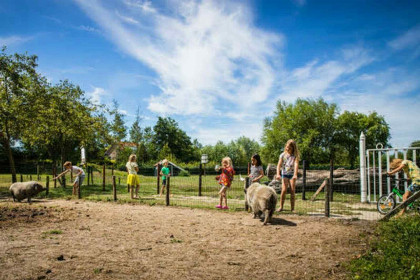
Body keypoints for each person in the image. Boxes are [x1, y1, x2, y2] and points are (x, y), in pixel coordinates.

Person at [276, 139, 299, 212]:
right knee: (284, 190)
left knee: (292, 190)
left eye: (289, 148)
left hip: (292, 175)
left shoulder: (295, 156)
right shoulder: (282, 155)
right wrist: (278, 174)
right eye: (287, 147)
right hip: (284, 174)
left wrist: (295, 174)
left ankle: (292, 208)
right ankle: (281, 207)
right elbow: (279, 165)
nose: (288, 149)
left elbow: (296, 164)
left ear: (293, 148)